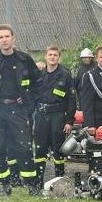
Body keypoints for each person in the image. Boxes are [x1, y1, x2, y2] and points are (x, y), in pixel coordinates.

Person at [0, 23, 42, 194]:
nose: (4, 40)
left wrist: (28, 102)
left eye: (7, 36)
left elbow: (38, 82)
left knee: (24, 147)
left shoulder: (24, 59)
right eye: (1, 37)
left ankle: (32, 184)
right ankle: (5, 184)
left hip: (17, 109)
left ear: (13, 38)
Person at [32, 45, 75, 191]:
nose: (52, 57)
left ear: (59, 57)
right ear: (46, 56)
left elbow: (71, 100)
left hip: (57, 116)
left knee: (58, 151)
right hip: (41, 115)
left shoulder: (65, 75)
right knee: (39, 151)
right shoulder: (39, 74)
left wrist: (69, 121)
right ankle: (37, 185)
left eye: (55, 55)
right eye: (50, 55)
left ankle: (60, 185)